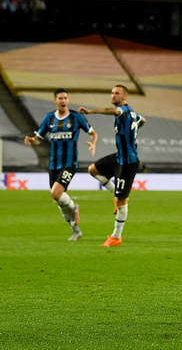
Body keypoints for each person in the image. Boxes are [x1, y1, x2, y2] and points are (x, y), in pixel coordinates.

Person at [24, 88, 97, 241]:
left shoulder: (76, 117)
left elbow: (92, 132)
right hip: (54, 164)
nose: (63, 101)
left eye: (65, 98)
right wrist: (32, 141)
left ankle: (74, 208)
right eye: (60, 98)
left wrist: (93, 143)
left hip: (70, 162)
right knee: (59, 200)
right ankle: (76, 230)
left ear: (67, 100)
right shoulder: (49, 118)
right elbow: (38, 139)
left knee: (56, 193)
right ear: (55, 100)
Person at [79, 85, 146, 248]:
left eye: (116, 93)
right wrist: (133, 129)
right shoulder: (133, 114)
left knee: (122, 201)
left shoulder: (123, 110)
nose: (113, 95)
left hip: (128, 162)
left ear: (124, 97)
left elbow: (114, 111)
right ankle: (116, 194)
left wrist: (90, 111)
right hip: (119, 157)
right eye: (112, 93)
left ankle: (116, 236)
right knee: (93, 170)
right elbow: (142, 120)